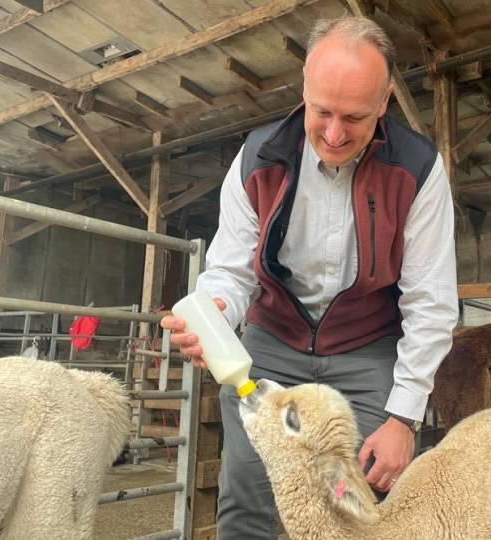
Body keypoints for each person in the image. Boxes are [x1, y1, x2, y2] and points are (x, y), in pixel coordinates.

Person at [160, 16, 458, 539]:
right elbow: (230, 271)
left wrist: (403, 419)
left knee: (362, 507)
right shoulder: (257, 158)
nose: (335, 133)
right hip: (271, 342)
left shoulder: (418, 170)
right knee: (246, 496)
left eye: (355, 116)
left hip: (366, 350)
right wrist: (214, 316)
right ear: (304, 86)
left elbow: (430, 303)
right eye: (322, 112)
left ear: (385, 101)